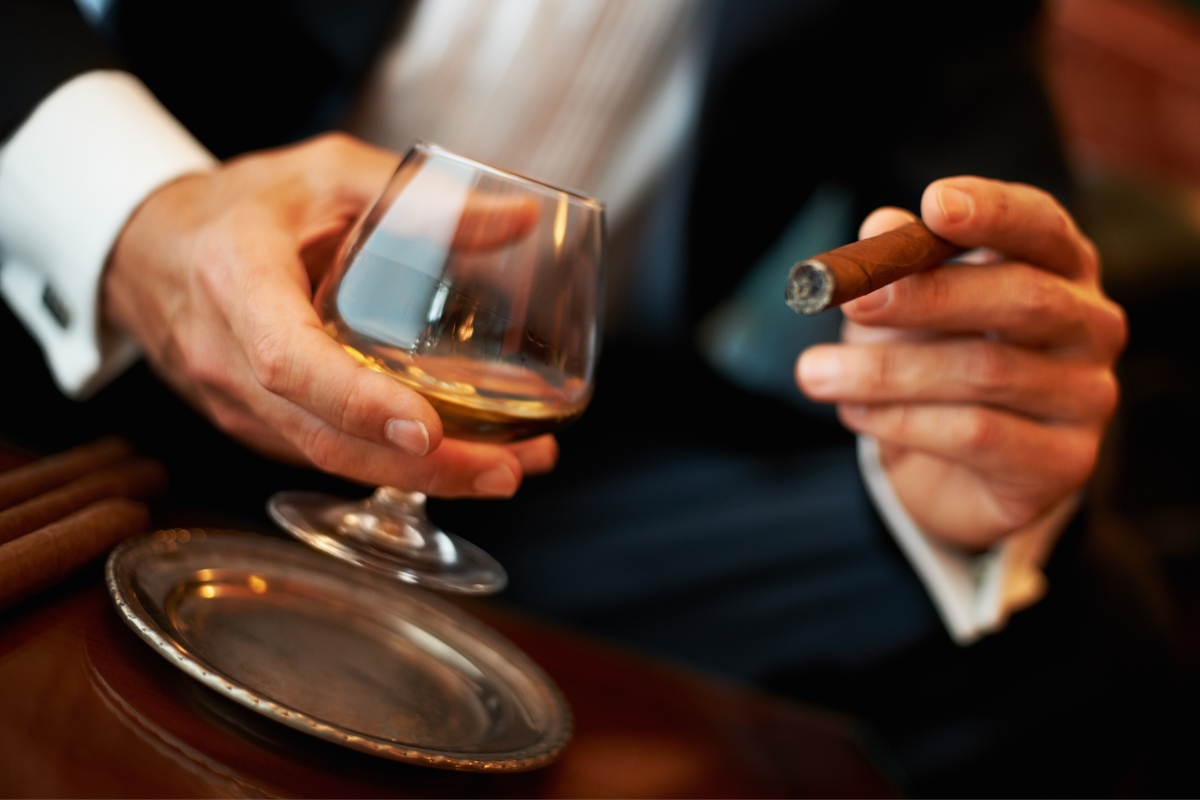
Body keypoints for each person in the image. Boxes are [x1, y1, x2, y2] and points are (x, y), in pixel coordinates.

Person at [0, 0, 1164, 793]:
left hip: (554, 459)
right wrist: (139, 215)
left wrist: (984, 434)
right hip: (107, 348)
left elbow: (1005, 277)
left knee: (1082, 628)